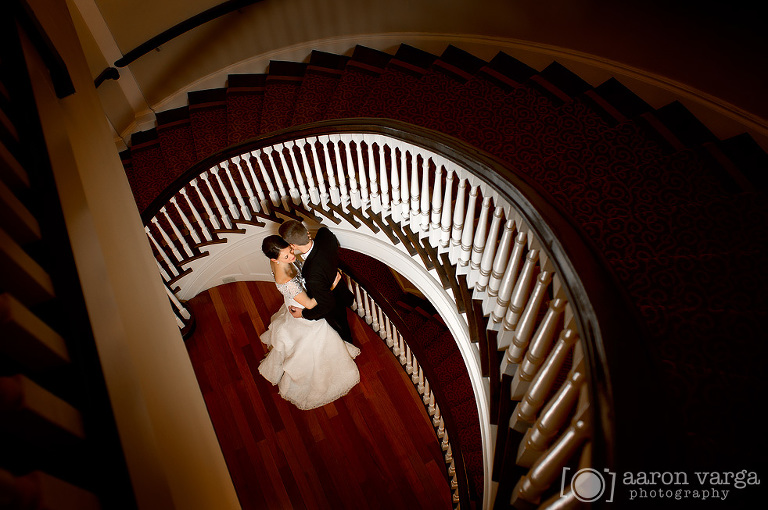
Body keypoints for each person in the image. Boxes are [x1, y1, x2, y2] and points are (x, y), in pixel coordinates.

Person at [258, 235, 360, 410]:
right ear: (275, 259)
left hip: (294, 299)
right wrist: (331, 286)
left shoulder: (275, 260)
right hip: (302, 305)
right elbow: (312, 304)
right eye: (286, 256)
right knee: (315, 338)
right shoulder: (286, 280)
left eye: (290, 250)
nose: (292, 256)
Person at [278, 220, 355, 345]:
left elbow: (327, 305)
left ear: (292, 245)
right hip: (340, 288)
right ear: (307, 232)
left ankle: (349, 345)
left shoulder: (312, 275)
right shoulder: (325, 234)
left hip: (333, 306)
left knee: (342, 331)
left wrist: (303, 314)